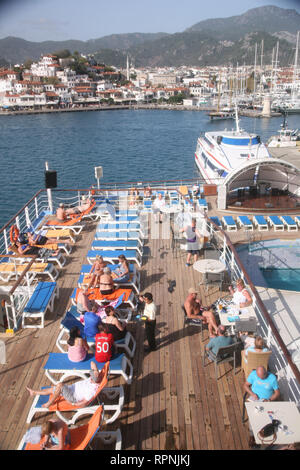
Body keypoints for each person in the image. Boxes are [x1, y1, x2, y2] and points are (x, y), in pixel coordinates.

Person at [26, 361, 104, 410]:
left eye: (94, 374)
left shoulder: (92, 390)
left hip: (73, 397)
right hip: (70, 389)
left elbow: (85, 403)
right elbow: (92, 363)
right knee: (54, 388)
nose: (94, 373)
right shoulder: (91, 380)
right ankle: (34, 392)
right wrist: (95, 370)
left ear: (95, 380)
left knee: (60, 385)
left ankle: (49, 403)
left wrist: (73, 404)